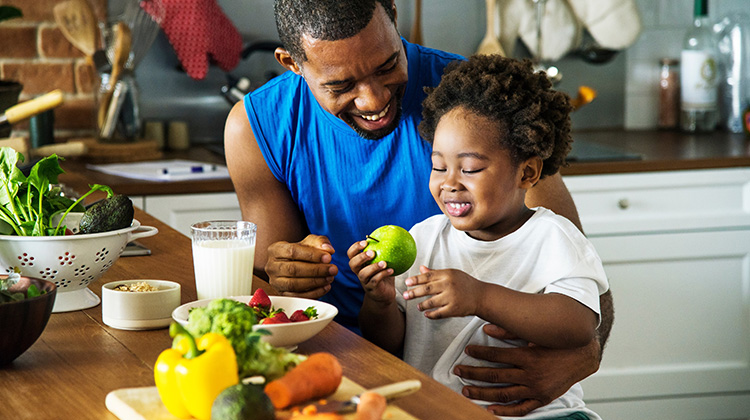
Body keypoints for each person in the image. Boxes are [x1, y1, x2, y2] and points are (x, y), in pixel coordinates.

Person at [224, 0, 614, 416]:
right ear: (291, 63)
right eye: (340, 86)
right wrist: (290, 277)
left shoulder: (478, 106)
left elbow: (584, 286)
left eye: (388, 64)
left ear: (394, 15)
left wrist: (585, 356)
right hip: (342, 371)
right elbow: (271, 298)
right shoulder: (257, 127)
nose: (373, 99)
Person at [349, 55, 609, 419]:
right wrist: (378, 301)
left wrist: (480, 296)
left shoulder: (552, 237)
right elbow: (389, 344)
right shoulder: (424, 238)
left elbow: (579, 325)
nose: (449, 183)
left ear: (527, 172)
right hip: (439, 412)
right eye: (438, 166)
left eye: (470, 168)